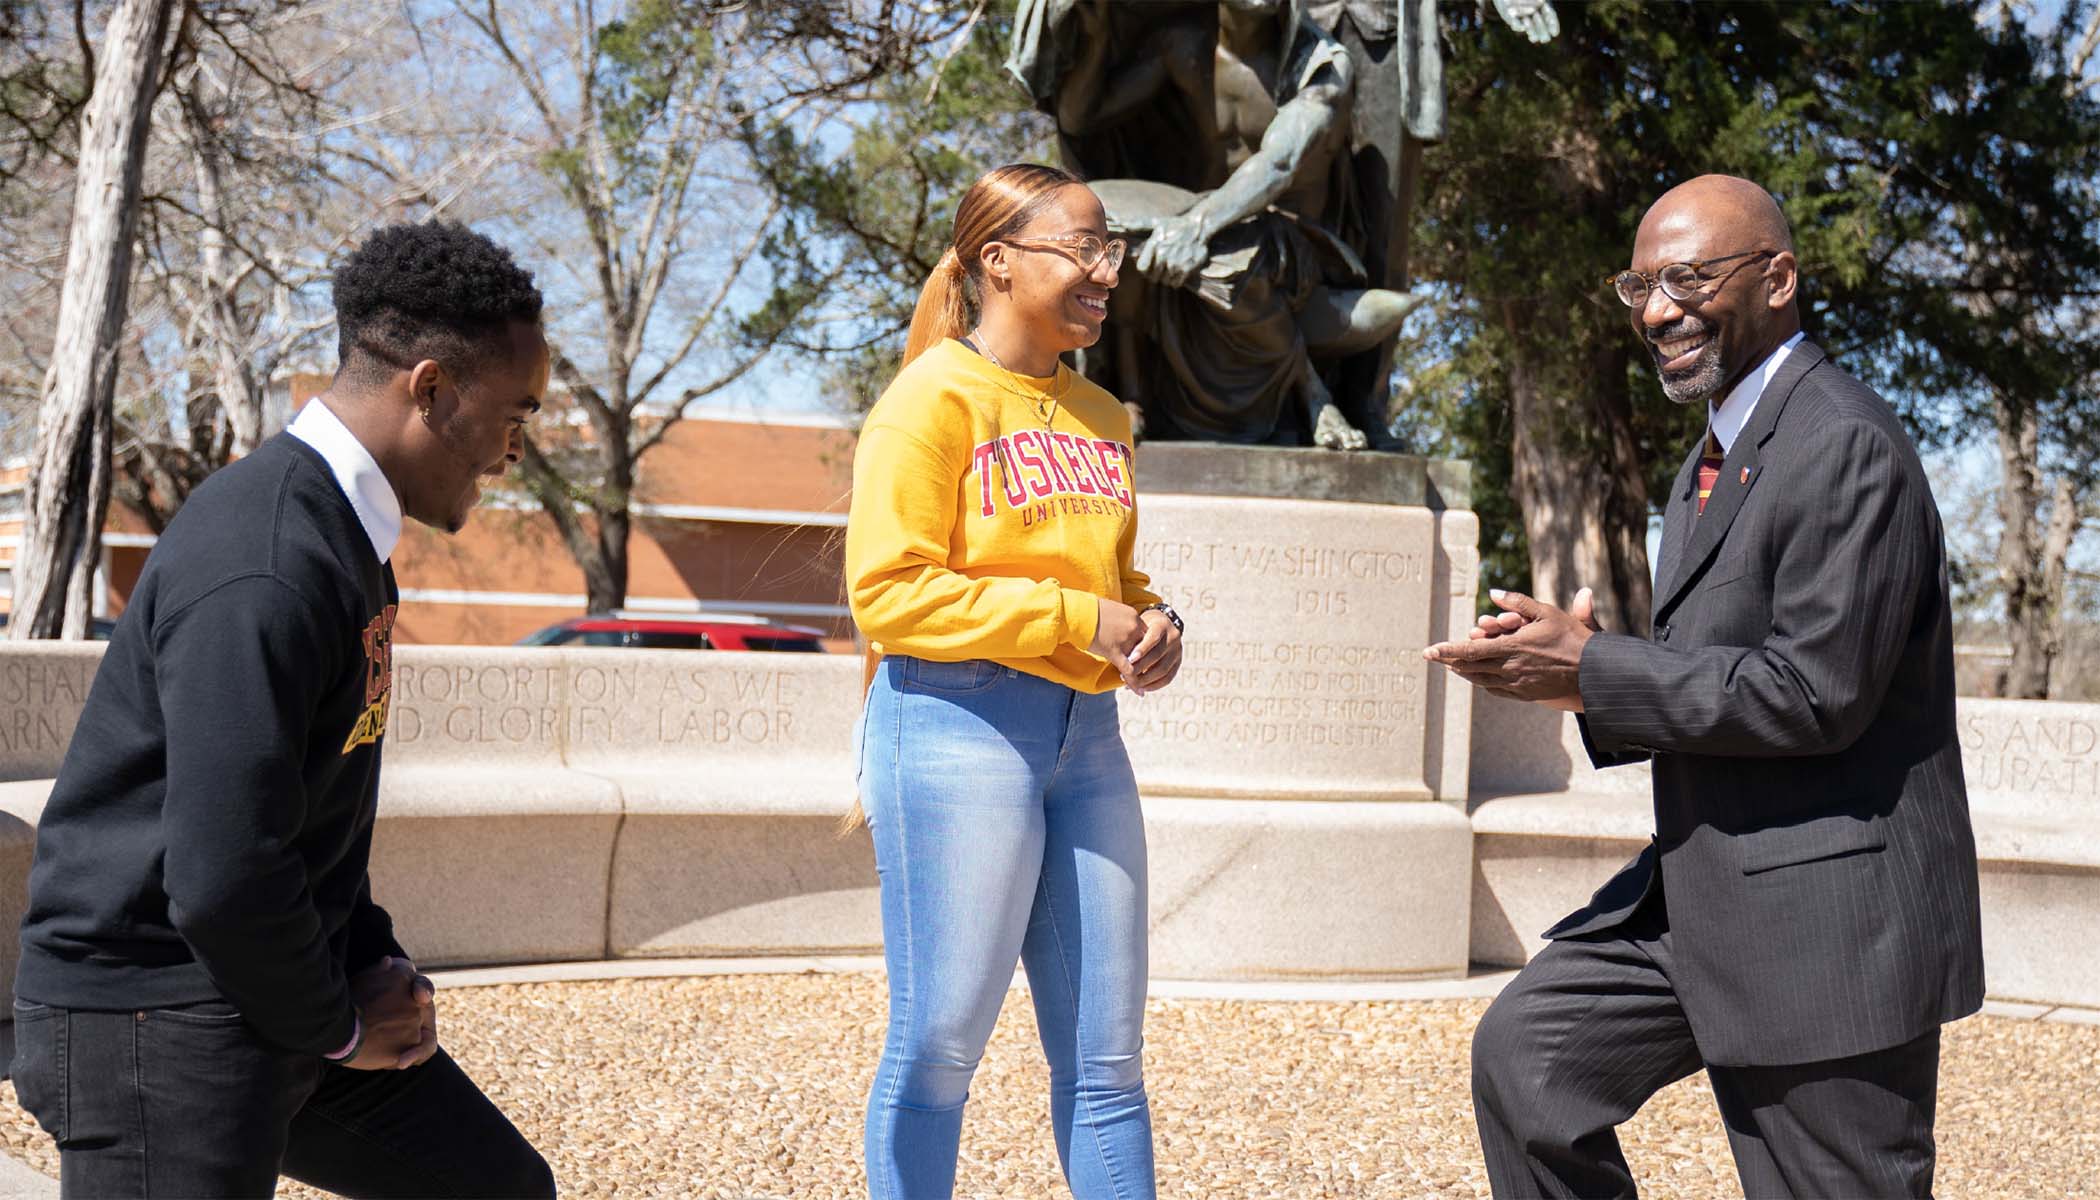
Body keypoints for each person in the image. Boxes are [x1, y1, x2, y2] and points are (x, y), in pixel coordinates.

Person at [1425, 174, 1983, 1198]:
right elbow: (1725, 668)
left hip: (1828, 922)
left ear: (1778, 278)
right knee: (1530, 1064)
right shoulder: (1711, 460)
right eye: (1640, 283)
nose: (1657, 309)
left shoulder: (1844, 444)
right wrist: (1578, 680)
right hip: (1696, 898)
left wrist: (1597, 667)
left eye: (1688, 276)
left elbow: (1814, 692)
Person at [12, 220, 557, 1199]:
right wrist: (344, 1026)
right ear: (430, 388)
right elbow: (224, 870)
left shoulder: (341, 536)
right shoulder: (268, 560)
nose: (516, 450)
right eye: (516, 412)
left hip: (260, 982)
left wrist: (372, 961)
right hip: (152, 1012)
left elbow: (305, 819)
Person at [845, 162, 1185, 1200]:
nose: (1105, 271)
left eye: (1110, 251)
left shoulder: (1103, 416)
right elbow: (890, 595)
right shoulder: (930, 399)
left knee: (1108, 1063)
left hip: (1089, 740)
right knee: (942, 1043)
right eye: (1082, 248)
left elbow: (1113, 576)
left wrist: (1157, 622)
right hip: (953, 725)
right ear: (998, 260)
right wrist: (1084, 619)